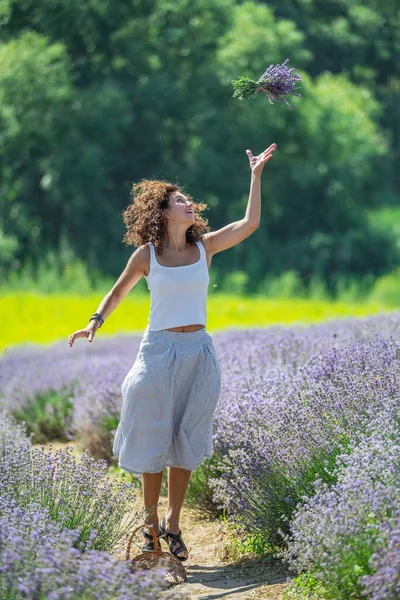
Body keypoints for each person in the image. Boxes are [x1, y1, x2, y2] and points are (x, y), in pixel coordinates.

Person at [68, 143, 276, 561]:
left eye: (189, 201)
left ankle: (173, 524)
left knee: (187, 440)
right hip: (159, 352)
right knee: (153, 438)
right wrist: (95, 321)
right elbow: (117, 291)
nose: (189, 206)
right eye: (181, 202)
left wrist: (255, 177)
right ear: (163, 212)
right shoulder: (147, 255)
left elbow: (250, 223)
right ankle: (149, 530)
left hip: (199, 352)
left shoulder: (206, 247)